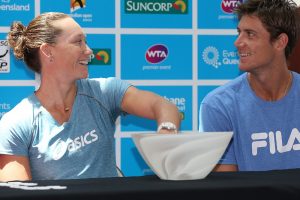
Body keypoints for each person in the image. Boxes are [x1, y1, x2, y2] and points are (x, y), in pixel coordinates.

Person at [0, 12, 181, 181]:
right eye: (78, 42)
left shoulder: (105, 91)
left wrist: (167, 130)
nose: (89, 51)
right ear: (48, 51)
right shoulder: (16, 122)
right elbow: (18, 191)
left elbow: (163, 105)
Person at [199, 0, 300, 171]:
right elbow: (226, 188)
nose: (238, 42)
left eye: (250, 34)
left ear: (280, 42)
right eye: (239, 32)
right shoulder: (218, 106)